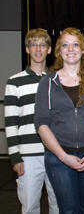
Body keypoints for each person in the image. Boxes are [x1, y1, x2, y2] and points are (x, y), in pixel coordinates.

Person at [34, 27, 84, 213]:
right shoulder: (47, 82)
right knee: (68, 210)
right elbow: (41, 123)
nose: (71, 49)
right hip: (59, 159)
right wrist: (63, 156)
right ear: (59, 51)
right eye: (65, 45)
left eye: (75, 44)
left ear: (83, 50)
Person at [4, 28, 59, 214]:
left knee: (58, 205)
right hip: (27, 157)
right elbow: (11, 123)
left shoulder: (56, 80)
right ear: (27, 49)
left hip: (55, 153)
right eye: (33, 45)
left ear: (49, 50)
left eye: (42, 45)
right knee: (30, 208)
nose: (38, 49)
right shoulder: (14, 82)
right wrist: (15, 157)